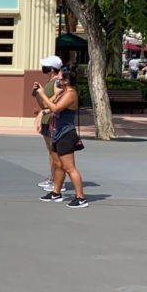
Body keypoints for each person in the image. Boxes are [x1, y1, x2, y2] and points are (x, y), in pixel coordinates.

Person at [32, 67, 88, 208]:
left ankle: (80, 198)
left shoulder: (71, 94)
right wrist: (39, 95)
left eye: (61, 78)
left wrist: (43, 94)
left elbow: (56, 109)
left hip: (66, 133)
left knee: (70, 168)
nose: (58, 79)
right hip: (56, 132)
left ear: (67, 80)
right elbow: (47, 105)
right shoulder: (61, 93)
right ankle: (56, 193)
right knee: (57, 164)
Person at [34, 56, 67, 195]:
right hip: (46, 119)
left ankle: (59, 181)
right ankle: (53, 177)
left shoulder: (57, 83)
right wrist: (37, 94)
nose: (43, 68)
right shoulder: (49, 82)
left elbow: (59, 98)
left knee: (55, 152)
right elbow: (43, 102)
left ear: (52, 69)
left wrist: (45, 106)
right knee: (50, 151)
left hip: (52, 119)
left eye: (46, 66)